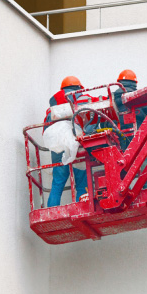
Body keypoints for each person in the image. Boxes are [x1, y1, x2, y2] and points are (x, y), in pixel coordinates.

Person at [46, 76, 91, 207]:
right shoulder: (83, 99)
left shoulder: (52, 107)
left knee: (57, 184)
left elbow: (46, 130)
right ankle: (81, 210)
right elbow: (91, 119)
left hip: (58, 148)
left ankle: (52, 212)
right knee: (82, 183)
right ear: (79, 88)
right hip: (78, 145)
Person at [113, 69, 147, 189]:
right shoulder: (140, 96)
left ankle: (123, 192)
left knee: (122, 170)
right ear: (134, 83)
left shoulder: (112, 98)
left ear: (119, 83)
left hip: (119, 139)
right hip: (138, 137)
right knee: (146, 167)